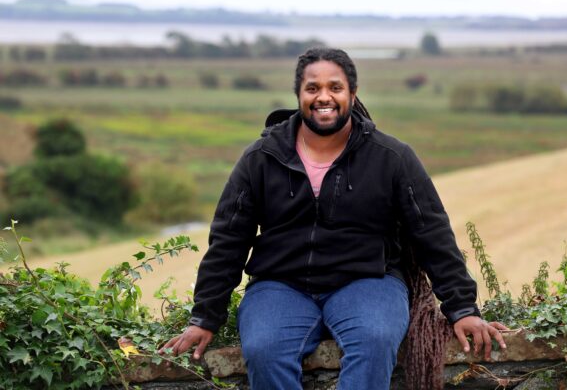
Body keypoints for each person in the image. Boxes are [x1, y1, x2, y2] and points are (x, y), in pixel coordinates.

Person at [160, 47, 506, 389]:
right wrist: (204, 317)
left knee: (375, 340)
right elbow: (228, 240)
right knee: (263, 350)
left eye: (335, 87)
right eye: (313, 88)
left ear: (352, 94)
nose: (323, 97)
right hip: (280, 285)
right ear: (299, 94)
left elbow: (431, 232)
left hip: (369, 281)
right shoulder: (261, 157)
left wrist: (462, 308)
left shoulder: (392, 157)